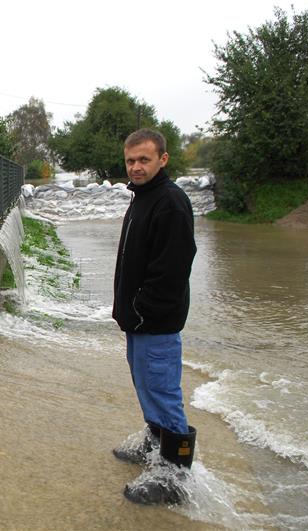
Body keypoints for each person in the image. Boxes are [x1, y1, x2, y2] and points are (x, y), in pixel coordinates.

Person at [111, 128, 197, 505]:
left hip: (155, 323)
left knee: (163, 391)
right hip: (139, 321)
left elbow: (172, 270)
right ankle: (155, 442)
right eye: (130, 161)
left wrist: (143, 311)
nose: (136, 167)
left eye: (144, 160)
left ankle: (175, 475)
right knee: (147, 386)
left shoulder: (170, 202)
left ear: (163, 159)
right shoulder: (143, 198)